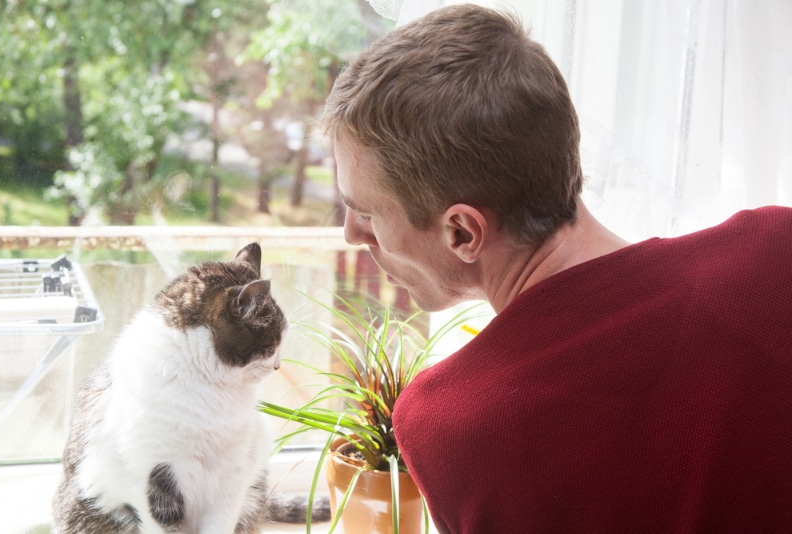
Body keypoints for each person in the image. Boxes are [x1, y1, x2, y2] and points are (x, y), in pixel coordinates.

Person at [320, 4, 792, 533]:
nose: (352, 234)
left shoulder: (455, 425)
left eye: (365, 212)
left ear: (462, 233)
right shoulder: (774, 251)